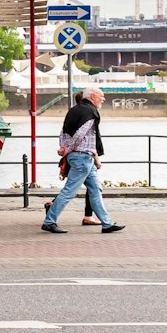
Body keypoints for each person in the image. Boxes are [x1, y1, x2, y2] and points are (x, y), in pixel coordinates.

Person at [42, 86, 124, 234]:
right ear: (92, 96)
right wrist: (68, 148)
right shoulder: (91, 112)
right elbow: (81, 134)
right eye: (101, 97)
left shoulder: (73, 110)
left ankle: (107, 223)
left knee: (95, 189)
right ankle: (49, 221)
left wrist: (64, 147)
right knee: (69, 191)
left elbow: (63, 131)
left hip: (84, 157)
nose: (103, 100)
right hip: (82, 157)